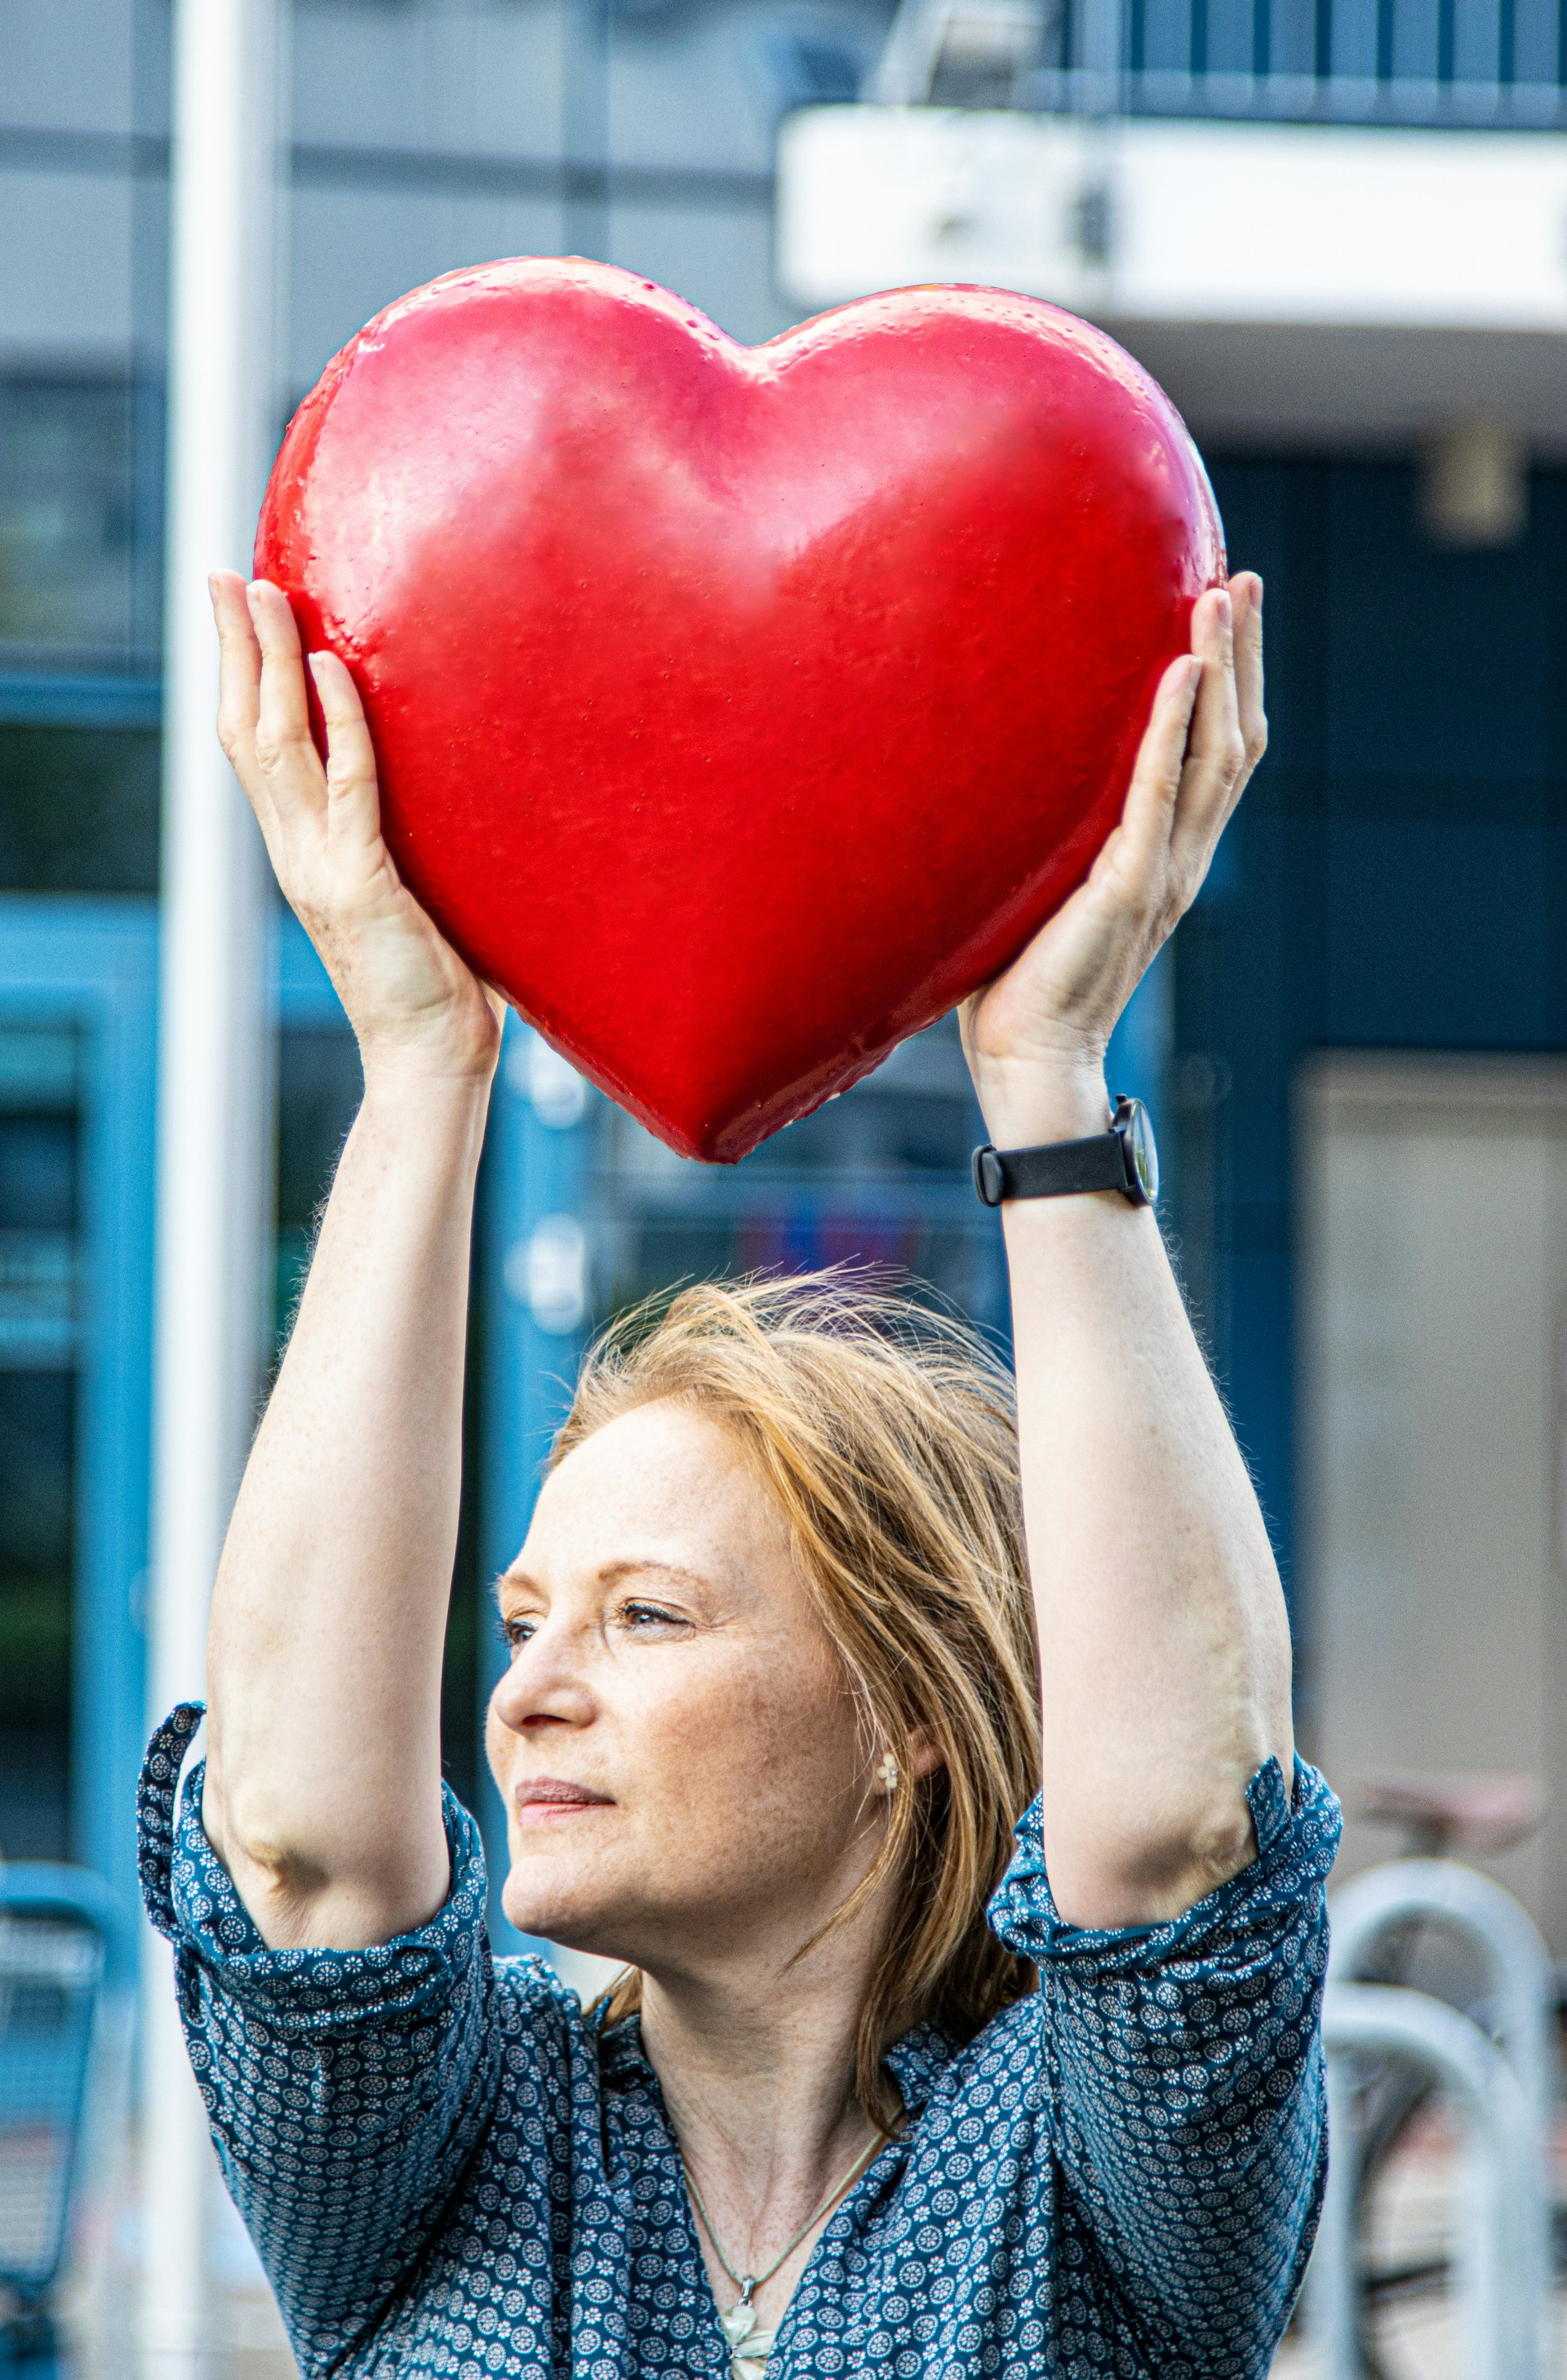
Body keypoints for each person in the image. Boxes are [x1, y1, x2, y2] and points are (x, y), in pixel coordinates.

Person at [138, 566, 1338, 2380]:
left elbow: (1181, 1842)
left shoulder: (1090, 2184)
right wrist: (416, 1057)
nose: (528, 1693)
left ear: (902, 1711)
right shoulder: (449, 2163)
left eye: (646, 1615)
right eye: (526, 1619)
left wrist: (1046, 1076)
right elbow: (296, 1849)